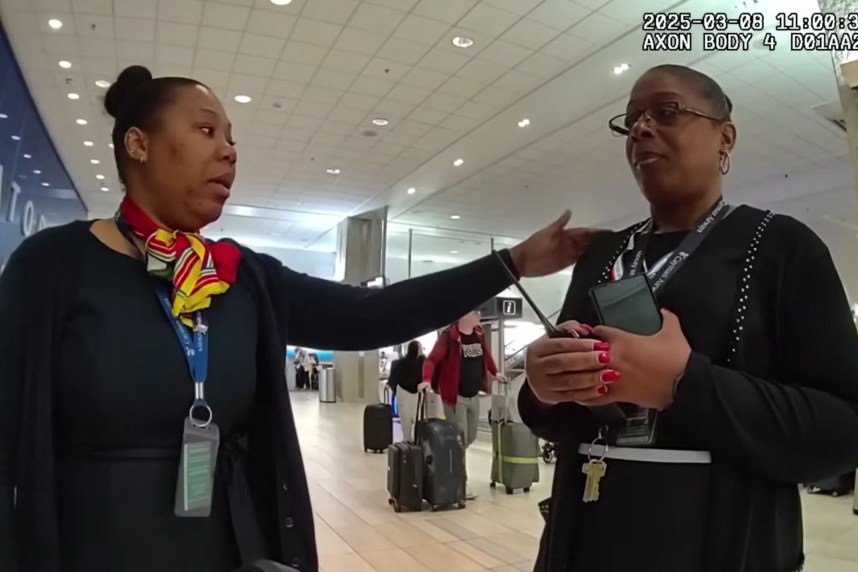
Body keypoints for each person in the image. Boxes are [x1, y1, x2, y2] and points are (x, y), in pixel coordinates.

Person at [0, 65, 601, 572]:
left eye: (231, 138)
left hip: (225, 543)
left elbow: (372, 315)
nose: (228, 151)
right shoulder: (55, 268)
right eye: (206, 130)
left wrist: (512, 262)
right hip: (93, 546)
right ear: (138, 144)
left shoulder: (240, 277)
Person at [518, 64, 858, 571]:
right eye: (632, 120)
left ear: (724, 138)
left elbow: (850, 428)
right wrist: (543, 386)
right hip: (586, 534)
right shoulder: (603, 256)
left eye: (666, 111)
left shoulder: (781, 248)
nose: (641, 129)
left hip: (723, 541)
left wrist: (684, 385)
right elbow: (559, 418)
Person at [422, 311, 506, 500]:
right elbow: (432, 360)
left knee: (470, 436)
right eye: (475, 312)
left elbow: (486, 356)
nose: (479, 314)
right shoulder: (449, 337)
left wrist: (496, 372)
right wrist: (427, 380)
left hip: (473, 395)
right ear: (463, 315)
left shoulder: (478, 333)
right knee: (460, 439)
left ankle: (447, 459)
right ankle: (461, 480)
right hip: (455, 397)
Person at [388, 340, 426, 441]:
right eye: (420, 347)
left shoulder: (401, 363)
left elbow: (394, 378)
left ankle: (407, 439)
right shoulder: (422, 362)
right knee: (416, 417)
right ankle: (414, 440)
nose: (422, 349)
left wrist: (393, 387)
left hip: (404, 391)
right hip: (415, 392)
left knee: (405, 418)